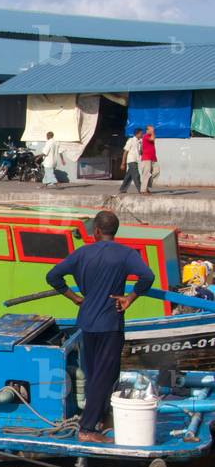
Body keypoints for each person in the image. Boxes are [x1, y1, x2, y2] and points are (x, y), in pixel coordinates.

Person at [45, 211, 156, 443]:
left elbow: (53, 276)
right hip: (110, 323)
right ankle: (87, 428)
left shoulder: (82, 253)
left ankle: (101, 417)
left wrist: (73, 298)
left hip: (86, 321)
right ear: (114, 231)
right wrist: (130, 297)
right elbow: (147, 276)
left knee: (96, 373)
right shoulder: (125, 254)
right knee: (104, 376)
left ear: (96, 231)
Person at [118, 128, 143, 194]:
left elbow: (140, 152)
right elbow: (125, 152)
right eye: (141, 133)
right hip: (131, 160)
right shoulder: (131, 140)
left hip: (136, 160)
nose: (142, 134)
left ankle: (122, 189)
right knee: (136, 175)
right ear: (137, 134)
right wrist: (123, 163)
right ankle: (141, 190)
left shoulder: (140, 141)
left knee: (129, 175)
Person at [140, 125, 159, 195]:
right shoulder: (146, 136)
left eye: (153, 130)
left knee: (157, 171)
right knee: (146, 173)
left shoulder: (150, 135)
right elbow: (152, 139)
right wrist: (153, 132)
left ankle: (147, 187)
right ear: (147, 130)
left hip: (153, 157)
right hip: (146, 158)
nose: (153, 131)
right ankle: (143, 190)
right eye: (151, 130)